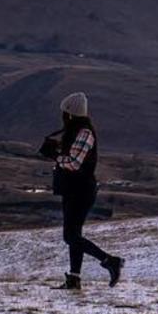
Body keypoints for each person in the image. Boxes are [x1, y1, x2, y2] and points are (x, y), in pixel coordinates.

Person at [39, 92, 124, 289]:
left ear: (69, 113)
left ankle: (110, 261)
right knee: (74, 235)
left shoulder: (84, 132)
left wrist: (54, 155)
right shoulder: (76, 131)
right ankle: (74, 278)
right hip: (73, 189)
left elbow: (74, 163)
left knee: (70, 236)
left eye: (64, 112)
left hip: (80, 189)